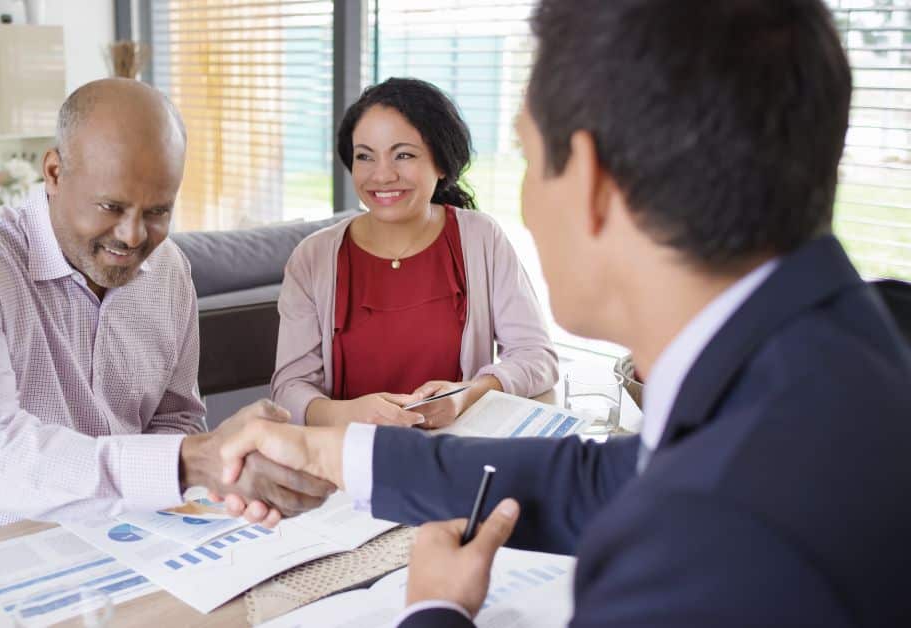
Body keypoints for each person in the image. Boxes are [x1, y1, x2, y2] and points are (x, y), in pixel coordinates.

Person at [214, 1, 911, 626]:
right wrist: (328, 449)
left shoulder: (715, 536)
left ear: (590, 180)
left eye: (528, 157)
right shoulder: (850, 344)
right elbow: (602, 478)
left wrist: (434, 611)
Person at [0, 78, 332, 541]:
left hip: (122, 532)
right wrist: (193, 460)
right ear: (54, 172)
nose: (133, 236)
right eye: (111, 206)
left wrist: (231, 465)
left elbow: (174, 420)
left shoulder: (169, 271)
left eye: (158, 211)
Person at [271, 78, 557, 430]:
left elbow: (536, 356)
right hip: (346, 460)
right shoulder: (312, 258)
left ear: (441, 163)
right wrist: (347, 414)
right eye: (365, 156)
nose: (382, 175)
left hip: (456, 455)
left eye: (403, 155)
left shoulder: (481, 238)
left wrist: (468, 393)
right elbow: (288, 388)